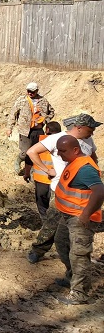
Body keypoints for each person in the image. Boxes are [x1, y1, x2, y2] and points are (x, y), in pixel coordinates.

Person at [25, 113, 100, 264]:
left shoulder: (88, 140)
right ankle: (38, 250)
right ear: (79, 127)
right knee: (52, 224)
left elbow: (93, 157)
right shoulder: (56, 138)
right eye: (90, 129)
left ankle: (72, 261)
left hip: (80, 194)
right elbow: (31, 151)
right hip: (61, 191)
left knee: (72, 229)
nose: (93, 131)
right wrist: (47, 170)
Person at [51, 135, 104, 305]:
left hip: (80, 219)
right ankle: (71, 277)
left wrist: (86, 215)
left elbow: (99, 191)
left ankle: (80, 293)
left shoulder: (85, 169)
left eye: (62, 150)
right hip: (68, 215)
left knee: (79, 255)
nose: (59, 154)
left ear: (75, 150)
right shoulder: (74, 162)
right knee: (61, 243)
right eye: (58, 150)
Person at [6, 82, 55, 175]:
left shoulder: (43, 101)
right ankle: (19, 160)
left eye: (32, 91)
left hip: (38, 130)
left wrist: (45, 120)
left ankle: (31, 170)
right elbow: (13, 114)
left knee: (37, 151)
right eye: (28, 91)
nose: (30, 93)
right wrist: (9, 128)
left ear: (37, 91)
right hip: (25, 131)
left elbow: (52, 112)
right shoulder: (21, 100)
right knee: (26, 152)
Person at [22, 121, 62, 219]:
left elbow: (29, 159)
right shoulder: (64, 141)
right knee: (56, 205)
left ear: (47, 130)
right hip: (58, 179)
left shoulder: (39, 140)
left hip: (42, 179)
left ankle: (45, 223)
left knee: (42, 205)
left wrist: (26, 173)